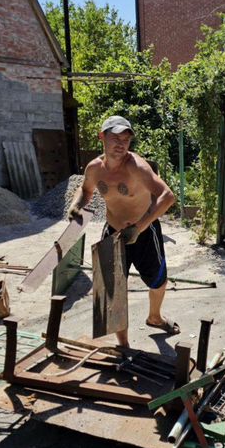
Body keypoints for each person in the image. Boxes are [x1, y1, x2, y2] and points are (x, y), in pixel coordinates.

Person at [67, 115, 178, 346]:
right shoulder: (94, 168)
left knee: (158, 282)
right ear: (101, 137)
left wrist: (139, 227)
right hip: (113, 232)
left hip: (145, 232)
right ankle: (124, 345)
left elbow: (168, 196)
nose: (121, 144)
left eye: (126, 139)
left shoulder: (136, 167)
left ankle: (155, 317)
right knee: (112, 291)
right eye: (115, 138)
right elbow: (86, 190)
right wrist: (77, 204)